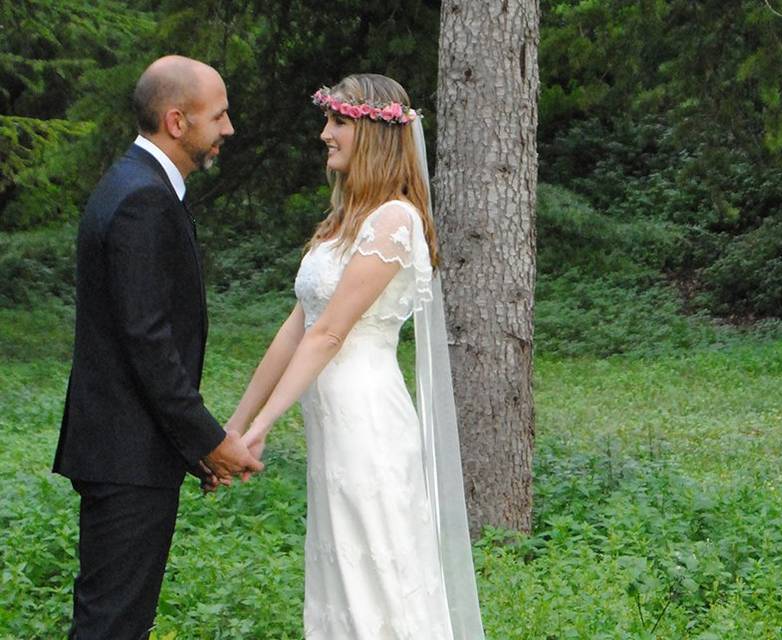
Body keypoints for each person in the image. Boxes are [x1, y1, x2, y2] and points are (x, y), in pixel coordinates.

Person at [226, 74, 485, 639]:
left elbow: (330, 335)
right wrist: (240, 426)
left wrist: (265, 423)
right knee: (341, 567)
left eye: (337, 121)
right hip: (331, 422)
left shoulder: (394, 220)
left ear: (373, 133)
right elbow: (296, 330)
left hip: (367, 420)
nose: (325, 134)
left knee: (378, 566)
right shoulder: (339, 225)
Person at [53, 55, 263, 639]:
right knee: (113, 626)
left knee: (118, 620)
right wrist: (209, 441)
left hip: (128, 446)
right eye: (218, 115)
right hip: (127, 453)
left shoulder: (136, 184)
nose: (229, 129)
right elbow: (147, 343)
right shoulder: (143, 198)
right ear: (177, 120)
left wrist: (194, 444)